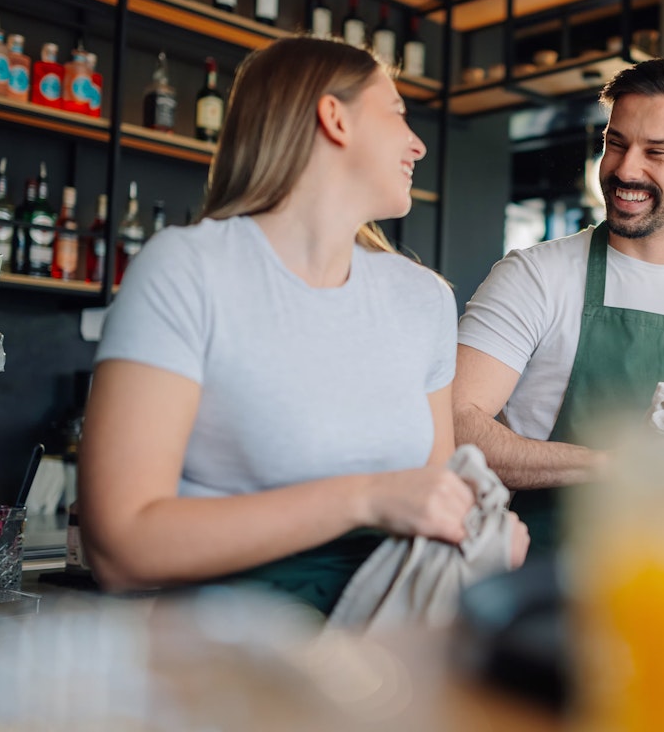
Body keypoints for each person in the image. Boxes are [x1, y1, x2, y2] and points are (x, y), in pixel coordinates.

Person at [79, 36, 527, 615]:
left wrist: (478, 540)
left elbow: (430, 504)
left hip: (390, 669)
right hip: (226, 669)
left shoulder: (425, 300)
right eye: (396, 113)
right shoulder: (186, 270)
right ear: (334, 118)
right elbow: (120, 547)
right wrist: (365, 498)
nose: (417, 144)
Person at [454, 55, 664, 552]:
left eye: (657, 152)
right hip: (546, 580)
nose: (625, 169)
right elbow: (453, 425)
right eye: (615, 143)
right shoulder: (535, 277)